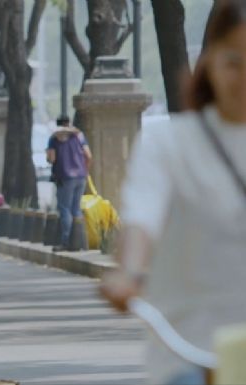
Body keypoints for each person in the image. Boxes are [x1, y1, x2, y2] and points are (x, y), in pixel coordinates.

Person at [100, 1, 246, 384]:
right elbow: (142, 218)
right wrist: (129, 273)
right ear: (209, 60)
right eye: (234, 61)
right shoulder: (168, 144)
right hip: (189, 352)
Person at [47, 115, 92, 252]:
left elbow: (52, 159)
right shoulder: (79, 136)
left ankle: (66, 242)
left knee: (65, 208)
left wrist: (48, 157)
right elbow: (89, 156)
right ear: (69, 123)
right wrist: (85, 170)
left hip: (65, 177)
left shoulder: (54, 138)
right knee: (76, 209)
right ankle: (80, 242)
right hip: (81, 177)